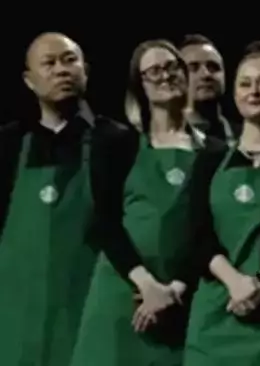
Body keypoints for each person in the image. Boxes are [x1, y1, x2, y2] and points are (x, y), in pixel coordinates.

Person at [71, 40, 216, 366]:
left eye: (172, 67)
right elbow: (103, 222)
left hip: (180, 300)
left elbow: (209, 228)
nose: (165, 76)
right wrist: (146, 285)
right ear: (140, 86)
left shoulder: (213, 151)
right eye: (154, 71)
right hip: (123, 292)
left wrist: (174, 289)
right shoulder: (117, 144)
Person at [0, 33, 126, 366]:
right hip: (13, 316)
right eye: (49, 63)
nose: (61, 70)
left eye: (70, 60)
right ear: (29, 80)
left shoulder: (116, 141)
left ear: (86, 70)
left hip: (90, 308)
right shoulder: (9, 144)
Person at [184, 43, 260, 365]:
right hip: (215, 311)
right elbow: (197, 232)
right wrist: (234, 282)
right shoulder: (212, 157)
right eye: (245, 83)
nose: (254, 91)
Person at [182, 35, 234, 143]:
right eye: (193, 68)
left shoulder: (246, 137)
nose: (206, 74)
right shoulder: (160, 140)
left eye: (213, 67)